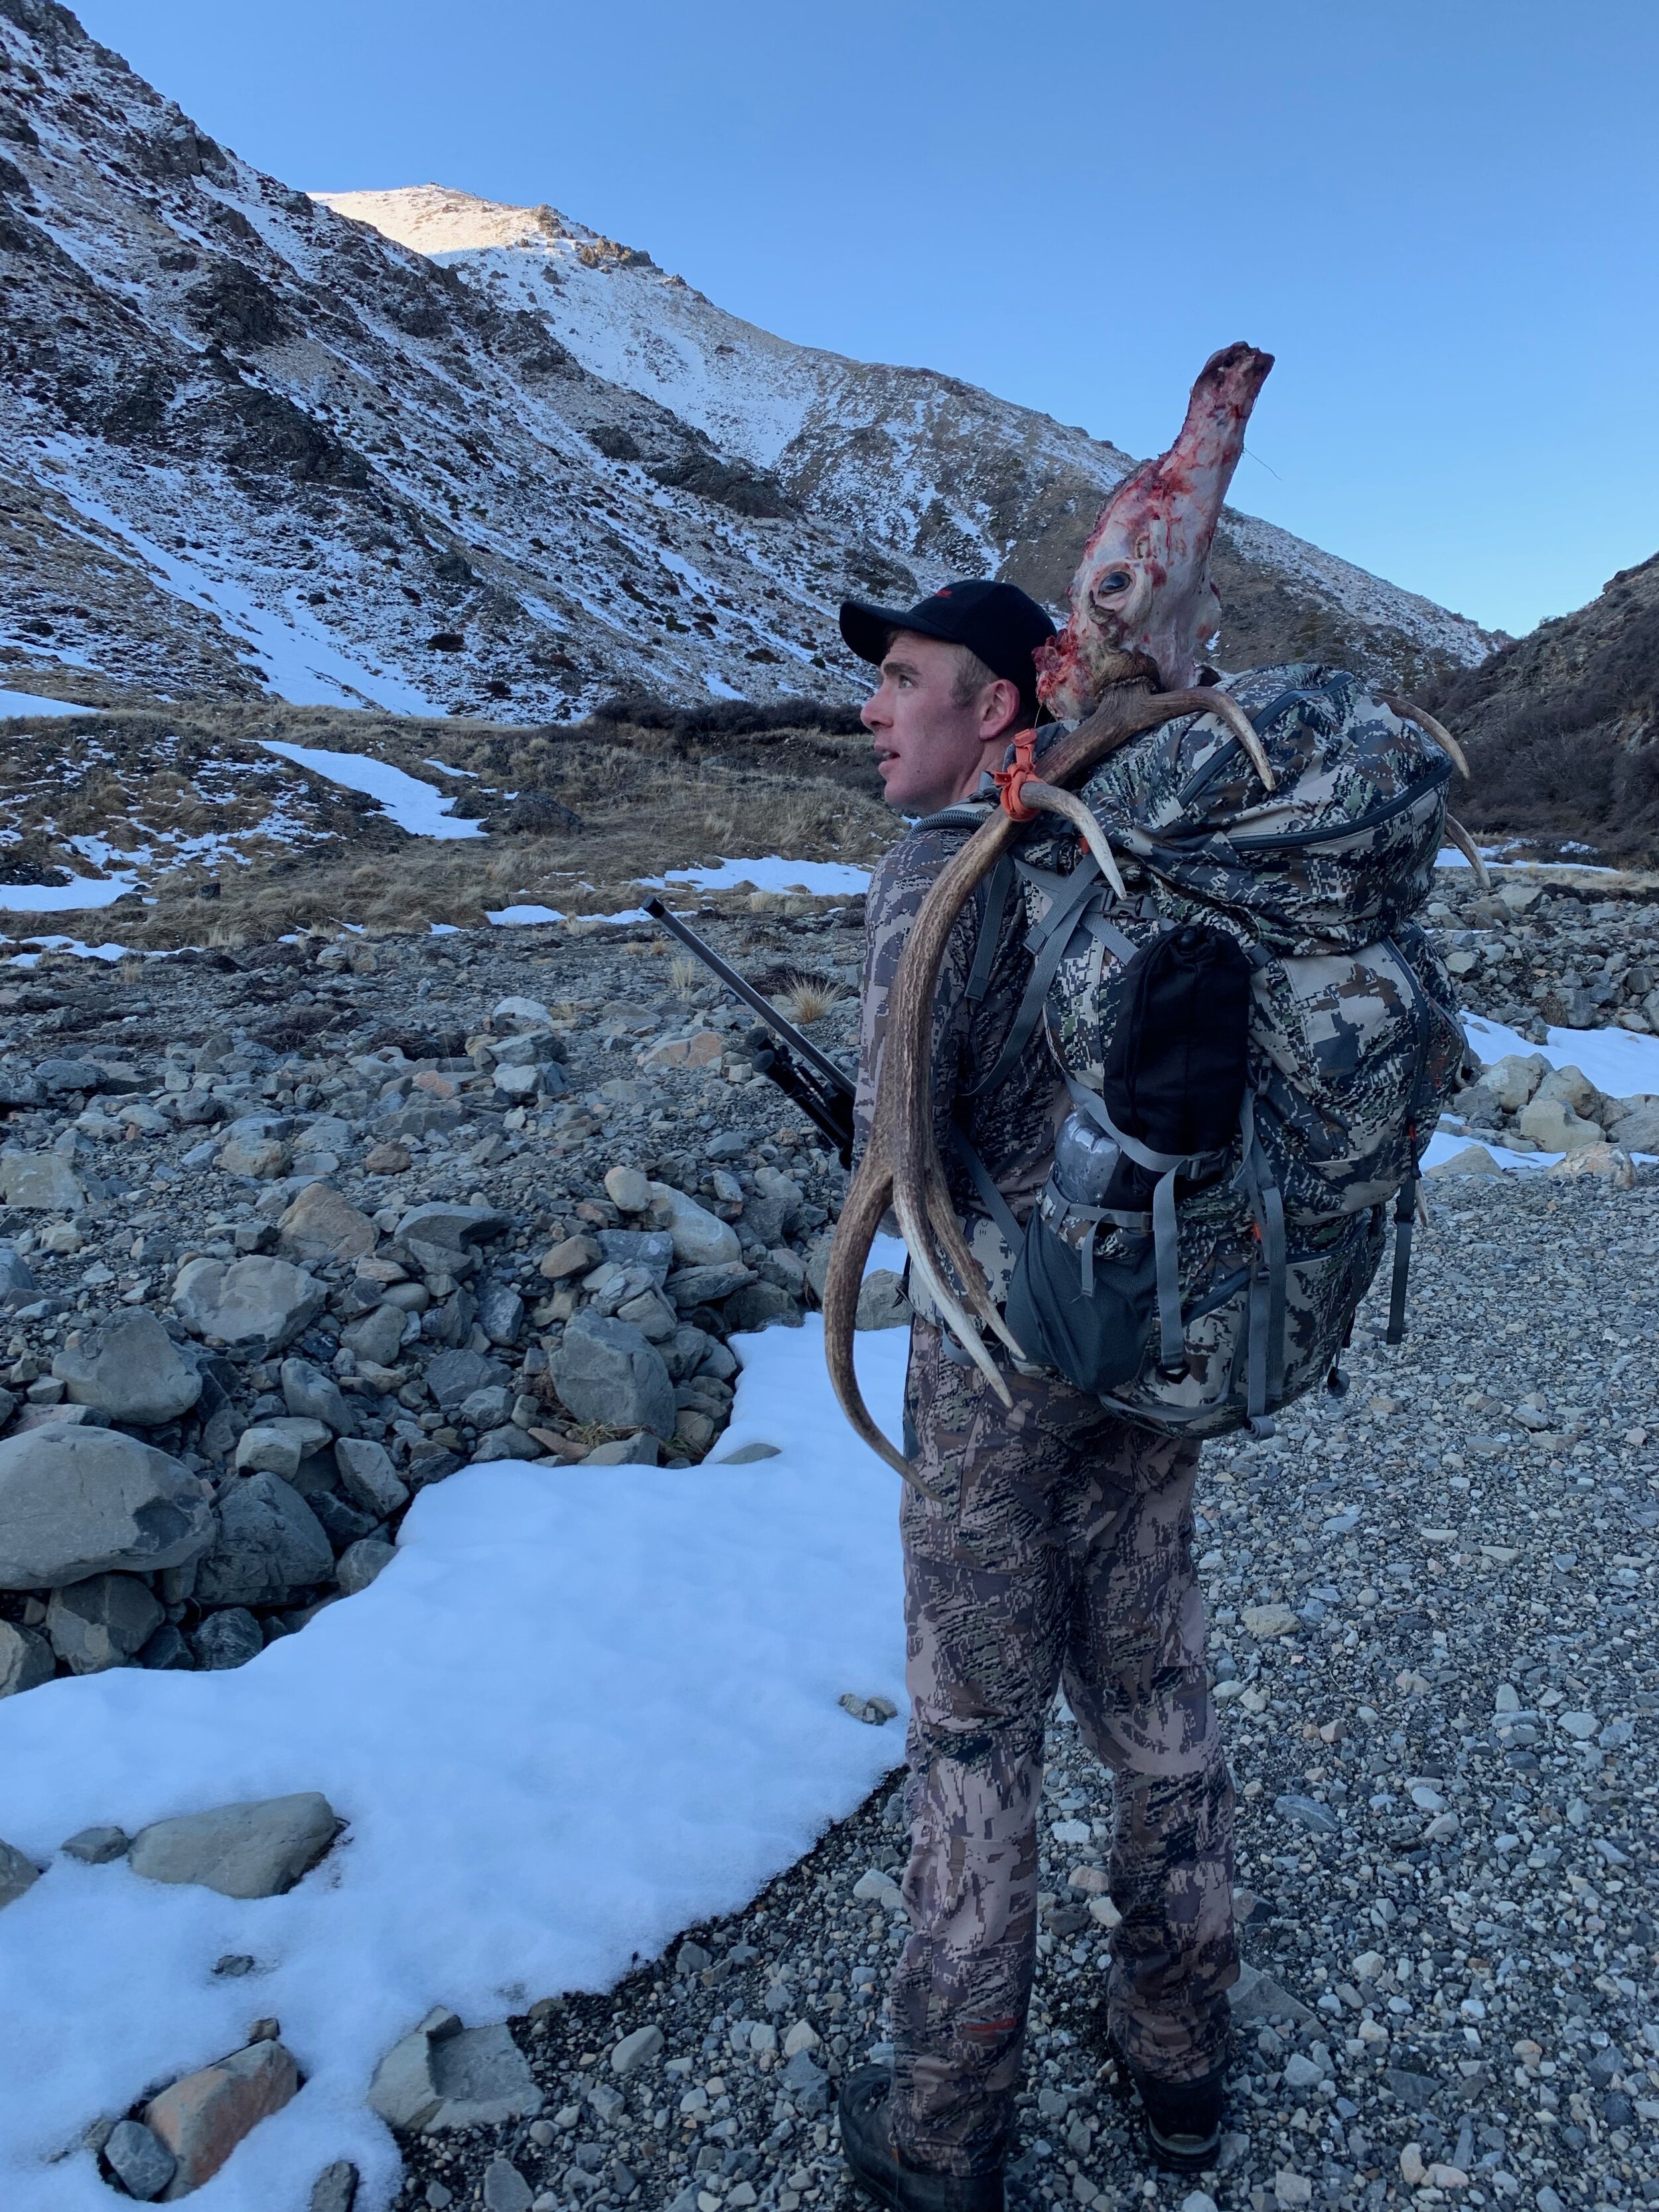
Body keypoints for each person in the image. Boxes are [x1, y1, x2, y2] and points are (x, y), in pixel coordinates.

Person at [833, 581, 1237, 2211]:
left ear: (997, 708)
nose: (873, 708)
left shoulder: (937, 871)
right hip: (1142, 1357)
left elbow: (898, 1148)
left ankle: (939, 2125)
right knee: (1159, 1710)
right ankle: (1178, 2058)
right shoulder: (1148, 857)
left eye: (906, 679)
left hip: (993, 1384)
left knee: (976, 1739)